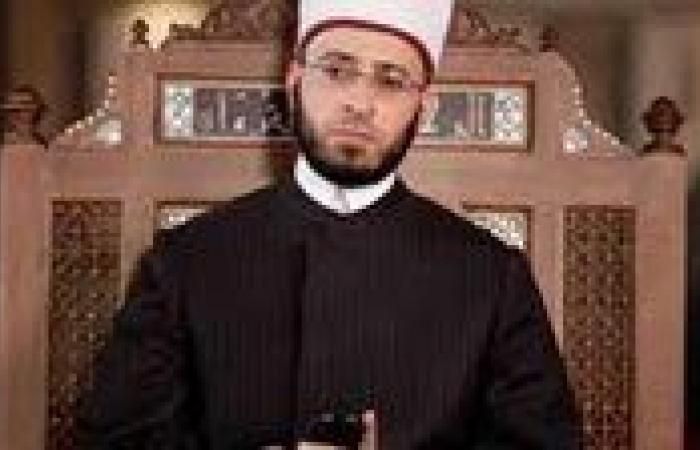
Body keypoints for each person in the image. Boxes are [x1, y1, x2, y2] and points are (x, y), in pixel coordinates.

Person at [77, 0, 582, 448]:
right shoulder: (185, 261)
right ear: (294, 81)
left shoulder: (492, 276)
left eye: (391, 80)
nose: (359, 103)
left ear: (424, 106)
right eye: (337, 70)